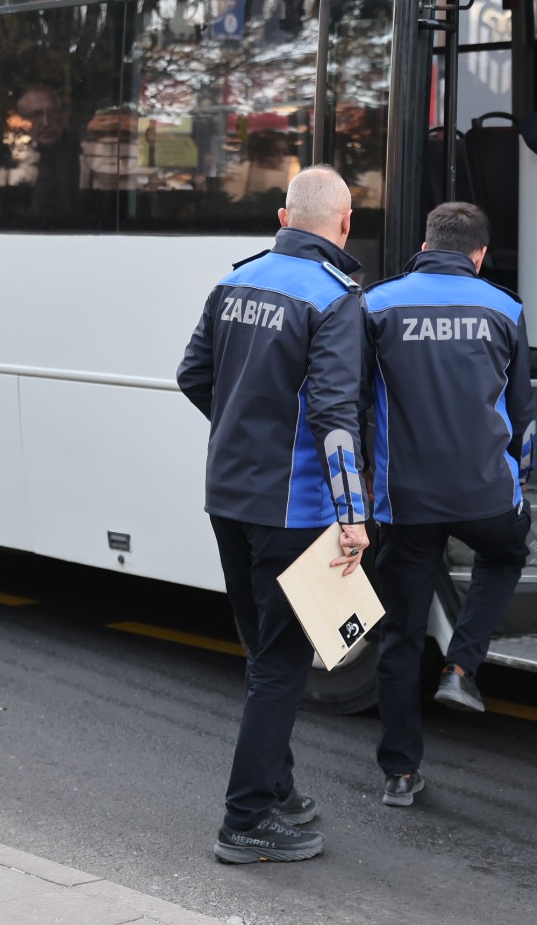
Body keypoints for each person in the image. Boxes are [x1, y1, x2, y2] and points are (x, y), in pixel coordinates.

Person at [177, 165, 370, 864]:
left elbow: (192, 375)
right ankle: (245, 820)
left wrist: (244, 436)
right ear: (344, 223)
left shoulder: (235, 282)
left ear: (285, 218)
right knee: (282, 666)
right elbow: (336, 416)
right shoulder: (336, 299)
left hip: (227, 496)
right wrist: (353, 513)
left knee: (262, 655)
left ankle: (278, 788)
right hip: (293, 508)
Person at [363, 201, 534, 808]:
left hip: (404, 500)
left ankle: (400, 774)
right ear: (479, 255)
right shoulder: (505, 308)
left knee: (401, 635)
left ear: (425, 244)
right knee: (506, 553)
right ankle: (461, 668)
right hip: (484, 494)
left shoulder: (377, 304)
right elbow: (522, 418)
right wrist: (517, 480)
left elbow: (353, 401)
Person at [0, 83, 84, 227]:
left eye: (53, 112)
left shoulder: (82, 155)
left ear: (63, 116)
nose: (46, 122)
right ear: (23, 121)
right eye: (36, 115)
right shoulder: (11, 158)